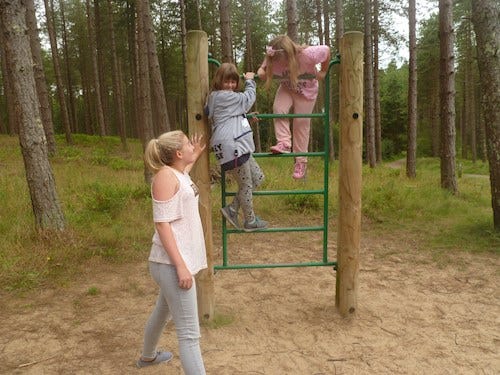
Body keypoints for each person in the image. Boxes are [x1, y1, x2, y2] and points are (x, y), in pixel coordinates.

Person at [137, 130, 207, 374]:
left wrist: (194, 156)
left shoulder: (177, 173)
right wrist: (180, 266)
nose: (192, 144)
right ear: (178, 153)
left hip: (173, 263)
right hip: (171, 265)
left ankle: (148, 357)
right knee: (189, 335)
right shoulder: (165, 177)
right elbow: (162, 223)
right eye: (188, 143)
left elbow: (183, 180)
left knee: (162, 310)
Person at [257, 34, 331, 179]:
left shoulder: (308, 54)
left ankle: (301, 162)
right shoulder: (273, 58)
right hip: (287, 88)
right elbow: (265, 69)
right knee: (278, 108)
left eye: (281, 60)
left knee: (301, 125)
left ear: (289, 54)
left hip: (306, 93)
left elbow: (327, 50)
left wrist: (323, 71)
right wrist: (262, 68)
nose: (279, 63)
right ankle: (284, 142)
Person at [206, 62, 268, 231]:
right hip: (231, 146)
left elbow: (229, 116)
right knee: (247, 184)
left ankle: (232, 209)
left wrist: (245, 116)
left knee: (258, 178)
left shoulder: (221, 98)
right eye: (227, 81)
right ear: (219, 81)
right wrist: (250, 81)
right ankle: (250, 221)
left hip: (237, 145)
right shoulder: (221, 96)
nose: (230, 85)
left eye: (233, 82)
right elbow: (247, 99)